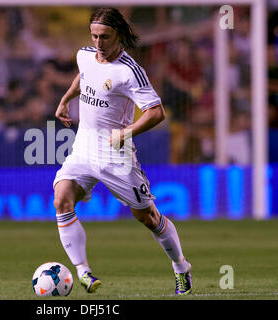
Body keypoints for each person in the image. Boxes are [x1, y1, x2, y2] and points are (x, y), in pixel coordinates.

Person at [53, 7, 192, 295]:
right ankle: (83, 272)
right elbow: (84, 75)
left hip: (115, 154)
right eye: (94, 36)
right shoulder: (84, 54)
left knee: (148, 218)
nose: (98, 43)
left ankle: (181, 267)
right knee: (62, 200)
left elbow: (157, 113)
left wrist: (125, 133)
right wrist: (66, 99)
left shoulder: (130, 71)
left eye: (104, 36)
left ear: (118, 34)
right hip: (83, 148)